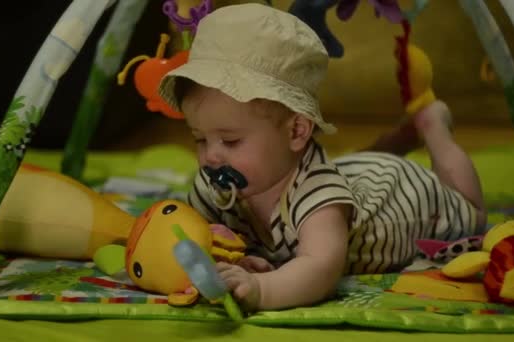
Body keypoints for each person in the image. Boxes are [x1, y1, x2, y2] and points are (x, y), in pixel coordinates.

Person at [157, 3, 486, 312]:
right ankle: (401, 137)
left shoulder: (320, 196)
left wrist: (261, 288)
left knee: (471, 212)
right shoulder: (215, 185)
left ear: (297, 131)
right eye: (199, 138)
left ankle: (432, 127)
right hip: (349, 172)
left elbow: (320, 267)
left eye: (231, 140)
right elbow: (195, 239)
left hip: (403, 194)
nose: (211, 155)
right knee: (350, 168)